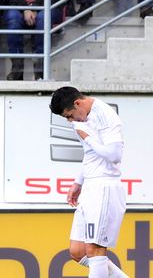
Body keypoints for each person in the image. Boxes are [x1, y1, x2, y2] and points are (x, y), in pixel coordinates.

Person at [49, 86, 129, 278]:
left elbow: (115, 155)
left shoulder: (105, 115)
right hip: (90, 188)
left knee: (95, 250)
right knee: (77, 251)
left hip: (105, 187)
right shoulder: (80, 120)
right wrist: (78, 183)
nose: (71, 120)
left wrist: (89, 138)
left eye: (70, 115)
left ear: (77, 103)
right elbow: (90, 155)